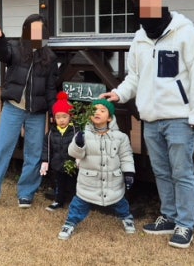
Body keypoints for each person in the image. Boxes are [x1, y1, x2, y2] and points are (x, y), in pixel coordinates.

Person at [101, 0, 194, 249]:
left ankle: (185, 225)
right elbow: (135, 77)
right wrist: (119, 94)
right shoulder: (139, 39)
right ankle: (169, 217)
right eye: (141, 7)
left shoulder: (185, 33)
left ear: (160, 3)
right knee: (161, 171)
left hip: (180, 119)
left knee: (182, 172)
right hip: (150, 119)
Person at [0, 14, 59, 210]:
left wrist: (54, 110)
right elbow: (2, 54)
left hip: (37, 112)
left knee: (34, 153)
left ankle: (26, 193)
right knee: (2, 149)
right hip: (13, 108)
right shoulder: (15, 48)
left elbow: (50, 88)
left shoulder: (50, 57)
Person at [57, 99, 136, 240]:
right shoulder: (83, 135)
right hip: (88, 182)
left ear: (110, 117)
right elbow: (74, 153)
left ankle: (126, 217)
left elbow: (126, 156)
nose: (97, 112)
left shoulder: (120, 137)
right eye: (94, 110)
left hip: (113, 182)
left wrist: (129, 173)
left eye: (102, 110)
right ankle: (70, 223)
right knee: (79, 204)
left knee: (120, 201)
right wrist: (78, 144)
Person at [40, 91, 77, 211]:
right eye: (58, 117)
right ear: (54, 118)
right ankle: (58, 201)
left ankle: (74, 202)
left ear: (70, 116)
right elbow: (47, 147)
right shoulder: (51, 132)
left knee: (73, 185)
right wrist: (45, 161)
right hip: (57, 164)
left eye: (64, 117)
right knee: (59, 184)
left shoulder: (75, 131)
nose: (61, 120)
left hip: (71, 164)